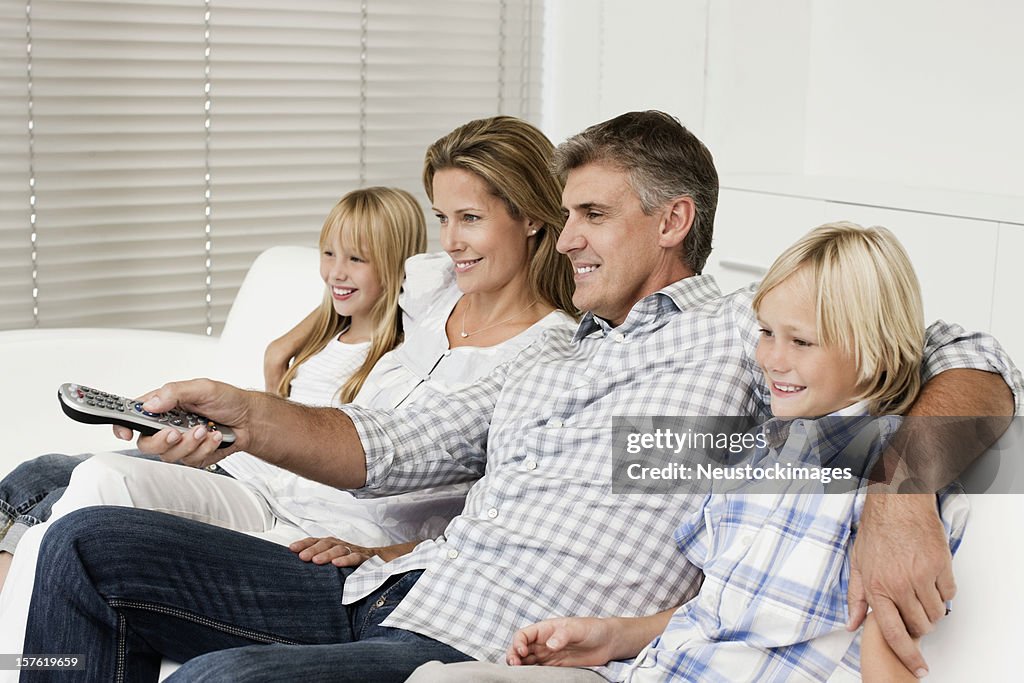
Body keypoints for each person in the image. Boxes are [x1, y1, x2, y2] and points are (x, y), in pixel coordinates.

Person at [19, 112, 1019, 683]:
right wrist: (234, 410)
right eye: (562, 213)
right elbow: (386, 446)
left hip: (483, 640)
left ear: (673, 219)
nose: (564, 234)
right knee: (91, 541)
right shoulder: (549, 357)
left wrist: (899, 492)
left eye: (589, 213)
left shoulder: (748, 334)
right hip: (392, 590)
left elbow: (967, 350)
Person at [0, 115, 579, 664]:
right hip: (278, 483)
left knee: (91, 511)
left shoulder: (545, 353)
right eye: (442, 217)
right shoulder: (432, 285)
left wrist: (390, 555)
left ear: (531, 217)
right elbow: (346, 299)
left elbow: (500, 497)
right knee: (94, 475)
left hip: (341, 531)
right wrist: (283, 356)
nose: (452, 241)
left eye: (470, 219)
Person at [410, 223, 971, 682]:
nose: (772, 359)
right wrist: (612, 635)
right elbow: (713, 610)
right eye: (766, 332)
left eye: (800, 341)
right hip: (648, 668)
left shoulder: (887, 477)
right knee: (438, 678)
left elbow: (890, 657)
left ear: (875, 351)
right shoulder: (755, 452)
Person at [0, 185, 427, 587]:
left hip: (252, 480)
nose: (335, 271)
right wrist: (287, 347)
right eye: (329, 253)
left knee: (63, 491)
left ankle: (13, 583)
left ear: (397, 264)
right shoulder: (329, 333)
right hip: (241, 463)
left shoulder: (396, 362)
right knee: (38, 473)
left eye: (357, 260)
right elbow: (284, 361)